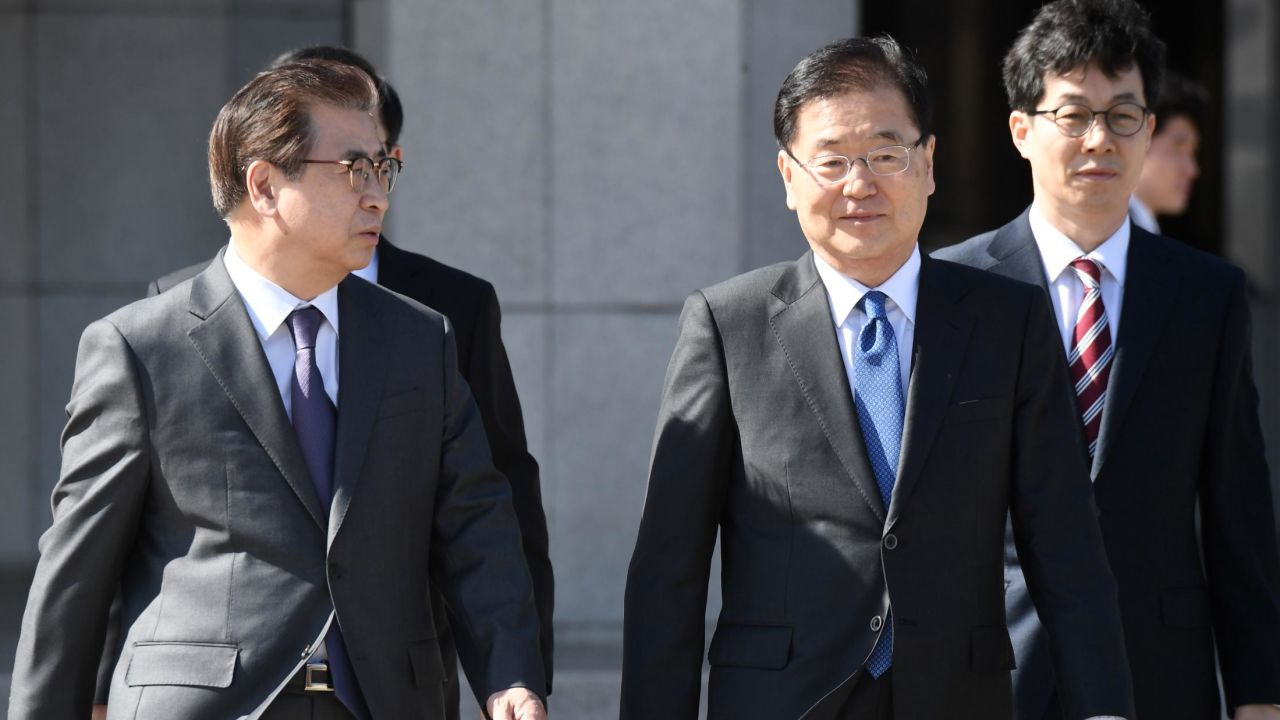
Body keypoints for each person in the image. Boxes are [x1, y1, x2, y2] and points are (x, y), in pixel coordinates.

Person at [9, 61, 546, 720]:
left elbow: (477, 525)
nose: (378, 194)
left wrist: (509, 674)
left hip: (387, 697)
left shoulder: (420, 340)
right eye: (355, 170)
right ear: (264, 185)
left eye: (384, 169)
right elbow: (76, 574)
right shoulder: (139, 348)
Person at [621, 35, 1133, 720]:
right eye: (832, 161)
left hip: (960, 696)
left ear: (928, 164)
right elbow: (668, 568)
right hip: (782, 699)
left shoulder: (1006, 319)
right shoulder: (727, 325)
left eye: (886, 156)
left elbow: (1064, 539)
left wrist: (1103, 707)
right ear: (787, 177)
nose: (860, 185)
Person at [935, 1, 1280, 718]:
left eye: (1123, 115)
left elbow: (1236, 512)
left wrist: (1259, 696)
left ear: (1148, 130)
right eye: (1073, 114)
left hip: (1160, 672)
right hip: (997, 673)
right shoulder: (952, 290)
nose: (1099, 138)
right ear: (1021, 130)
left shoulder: (1206, 295)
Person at [1129, 71, 1208, 234]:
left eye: (1192, 153)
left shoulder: (1139, 228)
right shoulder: (1118, 233)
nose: (1192, 170)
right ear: (1143, 137)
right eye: (1178, 148)